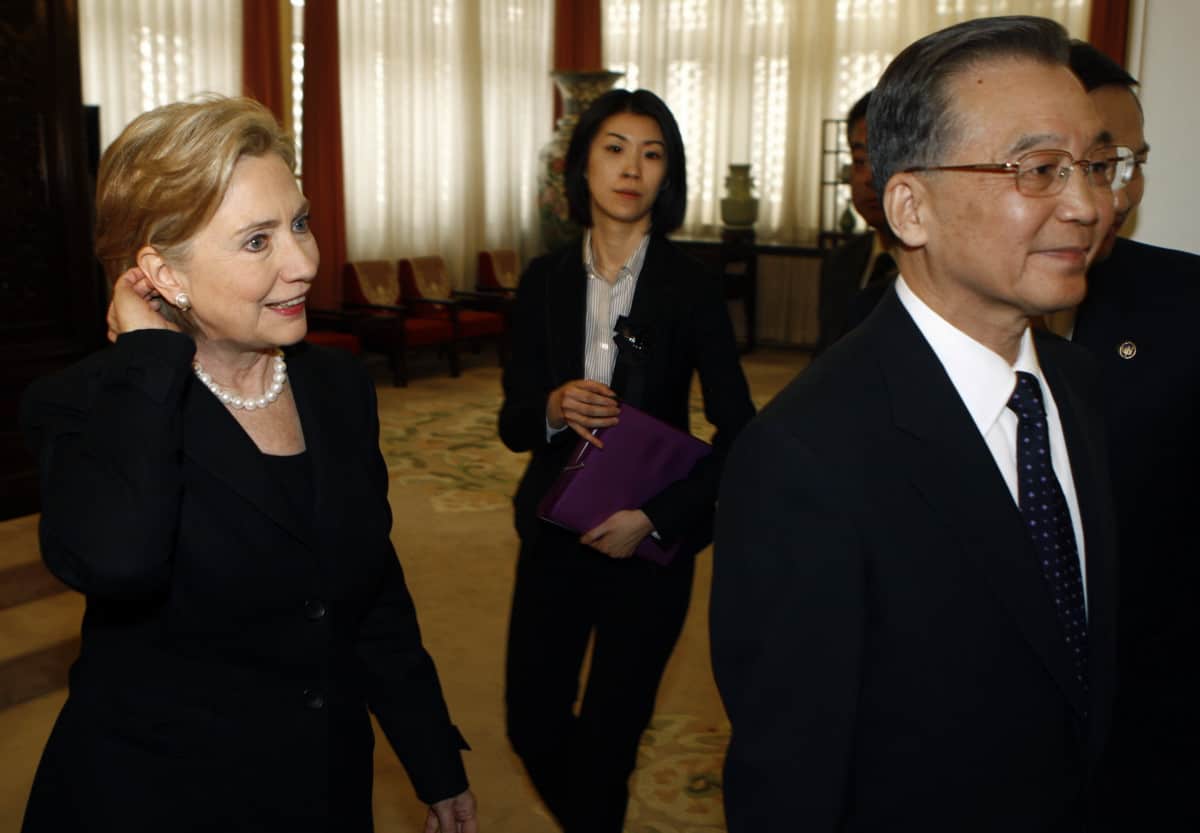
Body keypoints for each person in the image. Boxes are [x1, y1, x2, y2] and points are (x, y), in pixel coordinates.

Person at [19, 97, 477, 833]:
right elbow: (118, 563)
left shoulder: (337, 386)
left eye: (299, 223)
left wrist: (431, 753)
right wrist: (148, 357)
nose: (305, 263)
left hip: (322, 789)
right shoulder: (88, 404)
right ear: (163, 273)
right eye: (257, 241)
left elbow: (369, 588)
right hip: (160, 800)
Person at [712, 16, 1121, 831]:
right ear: (910, 206)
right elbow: (790, 779)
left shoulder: (1080, 388)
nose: (1087, 206)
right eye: (1039, 169)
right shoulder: (805, 456)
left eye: (1098, 166)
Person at [498, 88, 754, 833]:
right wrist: (553, 406)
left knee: (610, 742)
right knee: (531, 722)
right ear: (582, 166)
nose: (631, 169)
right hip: (555, 532)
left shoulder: (691, 286)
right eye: (614, 149)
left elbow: (741, 431)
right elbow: (514, 422)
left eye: (652, 154)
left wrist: (655, 517)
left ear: (668, 175)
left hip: (647, 544)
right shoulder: (544, 280)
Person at [1066, 40, 1200, 829]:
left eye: (1130, 164)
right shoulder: (944, 316)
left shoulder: (1186, 304)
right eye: (1096, 163)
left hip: (1157, 725)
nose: (1115, 195)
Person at [814, 90, 899, 355]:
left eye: (885, 161)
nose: (868, 178)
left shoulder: (946, 272)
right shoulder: (840, 262)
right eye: (860, 161)